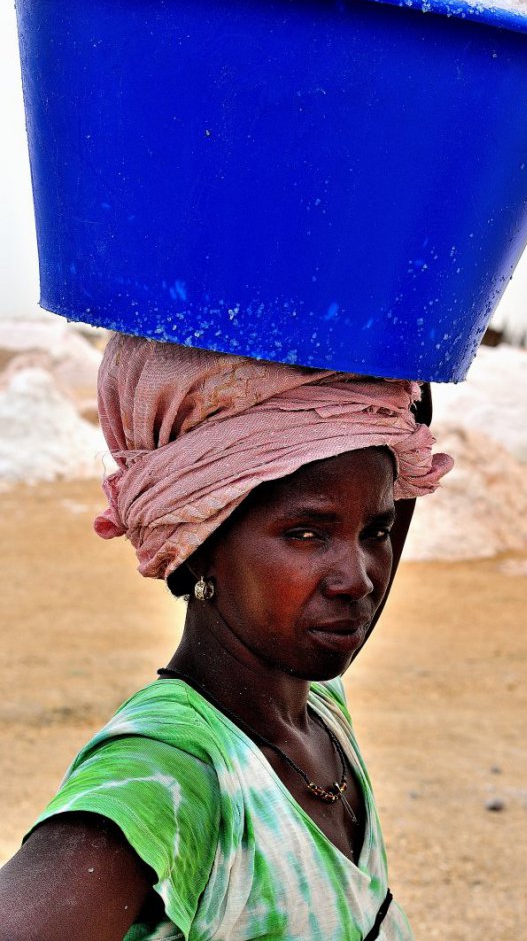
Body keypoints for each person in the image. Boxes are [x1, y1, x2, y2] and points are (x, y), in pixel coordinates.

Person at [0, 334, 452, 940]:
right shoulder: (173, 773)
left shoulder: (310, 708)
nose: (358, 579)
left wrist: (410, 386)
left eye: (373, 532)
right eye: (306, 535)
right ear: (198, 549)